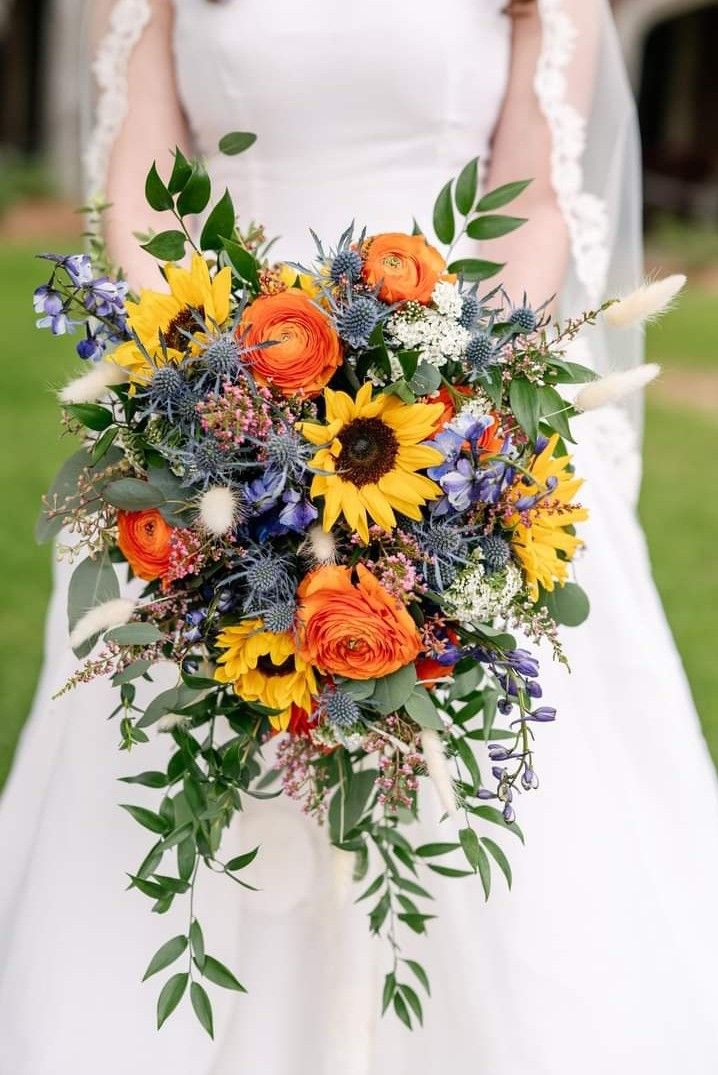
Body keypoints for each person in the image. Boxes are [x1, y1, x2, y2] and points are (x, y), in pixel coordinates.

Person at [1, 1, 717, 1072]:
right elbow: (141, 173)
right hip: (211, 422)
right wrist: (207, 402)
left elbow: (536, 199)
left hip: (458, 424)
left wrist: (448, 419)